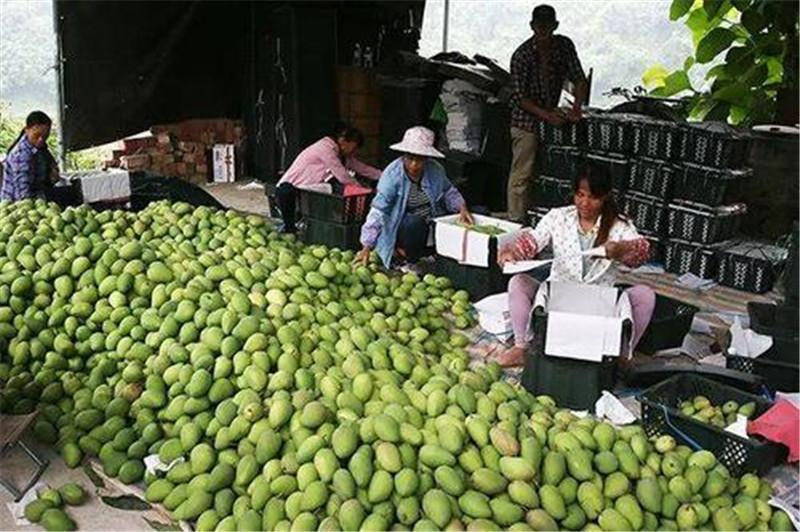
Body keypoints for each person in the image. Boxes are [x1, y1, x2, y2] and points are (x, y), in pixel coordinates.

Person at [495, 160, 655, 367]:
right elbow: (533, 240)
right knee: (518, 283)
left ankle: (622, 355)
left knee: (645, 295)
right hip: (559, 298)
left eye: (593, 197)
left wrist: (620, 250)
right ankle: (521, 347)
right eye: (580, 195)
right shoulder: (559, 217)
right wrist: (512, 253)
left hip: (598, 305)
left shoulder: (620, 225)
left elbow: (642, 251)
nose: (585, 203)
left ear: (605, 197)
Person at [507, 4, 588, 222]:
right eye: (539, 26)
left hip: (551, 114)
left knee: (548, 170)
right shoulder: (522, 56)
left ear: (555, 26)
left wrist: (577, 108)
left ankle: (542, 219)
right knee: (522, 173)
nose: (543, 30)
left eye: (548, 26)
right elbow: (518, 98)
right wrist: (546, 115)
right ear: (532, 26)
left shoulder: (563, 46)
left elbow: (579, 78)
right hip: (526, 121)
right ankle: (516, 220)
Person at [355, 126, 474, 270]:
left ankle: (432, 254)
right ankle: (407, 259)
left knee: (477, 213)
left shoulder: (435, 170)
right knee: (413, 222)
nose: (414, 164)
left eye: (420, 160)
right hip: (402, 228)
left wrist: (462, 208)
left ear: (427, 159)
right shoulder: (392, 176)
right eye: (409, 158)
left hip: (430, 223)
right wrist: (366, 246)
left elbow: (449, 191)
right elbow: (378, 211)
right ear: (403, 155)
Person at [275, 122, 381, 233]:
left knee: (332, 187)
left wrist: (385, 176)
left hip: (309, 188)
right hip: (294, 188)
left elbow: (363, 168)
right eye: (353, 147)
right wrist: (363, 191)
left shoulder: (340, 154)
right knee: (334, 187)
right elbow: (343, 176)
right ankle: (290, 228)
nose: (353, 151)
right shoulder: (325, 148)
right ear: (343, 141)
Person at [1, 111, 57, 201]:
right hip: (15, 205)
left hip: (37, 198)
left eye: (45, 136)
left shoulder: (40, 148)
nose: (41, 140)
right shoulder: (20, 154)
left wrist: (53, 170)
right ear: (27, 130)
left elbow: (51, 162)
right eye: (37, 135)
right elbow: (23, 194)